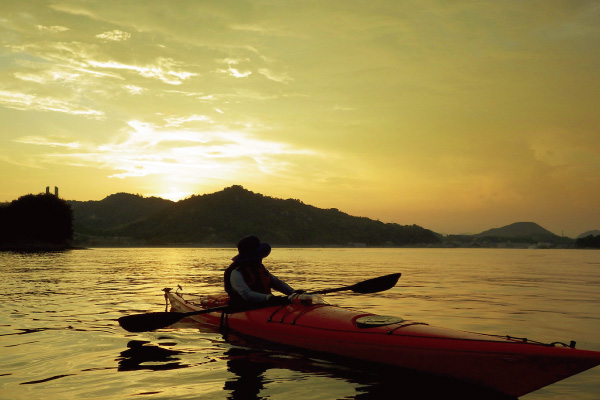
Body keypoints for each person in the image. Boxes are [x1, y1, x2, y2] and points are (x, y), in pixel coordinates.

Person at [224, 236, 300, 304]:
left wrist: (292, 292)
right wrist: (269, 298)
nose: (260, 258)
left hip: (264, 304)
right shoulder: (236, 273)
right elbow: (246, 294)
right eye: (258, 256)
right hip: (244, 307)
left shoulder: (260, 268)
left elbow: (276, 283)